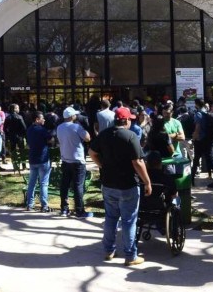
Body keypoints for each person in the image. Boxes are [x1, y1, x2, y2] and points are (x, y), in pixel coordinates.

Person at [89, 106, 151, 266]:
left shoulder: (104, 134)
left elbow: (91, 152)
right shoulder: (130, 136)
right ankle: (131, 256)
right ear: (126, 120)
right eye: (130, 119)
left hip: (108, 183)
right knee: (129, 221)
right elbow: (138, 162)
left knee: (111, 218)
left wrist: (102, 165)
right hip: (127, 184)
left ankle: (109, 250)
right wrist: (147, 182)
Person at [57, 106, 92, 218]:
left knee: (65, 185)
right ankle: (79, 210)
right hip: (77, 160)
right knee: (78, 186)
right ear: (72, 116)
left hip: (65, 159)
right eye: (75, 115)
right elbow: (88, 138)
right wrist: (83, 127)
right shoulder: (76, 127)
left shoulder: (59, 127)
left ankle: (64, 209)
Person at [25, 111, 53, 212]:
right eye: (42, 118)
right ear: (37, 119)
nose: (44, 120)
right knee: (43, 183)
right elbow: (50, 140)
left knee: (32, 183)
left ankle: (29, 204)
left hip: (32, 159)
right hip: (43, 159)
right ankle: (44, 205)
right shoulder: (42, 130)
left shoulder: (29, 130)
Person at [4, 104, 27, 171]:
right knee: (22, 151)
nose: (18, 109)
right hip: (20, 136)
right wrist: (24, 135)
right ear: (14, 109)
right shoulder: (19, 117)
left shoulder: (8, 117)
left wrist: (8, 135)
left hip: (12, 136)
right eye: (17, 108)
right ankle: (24, 165)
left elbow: (5, 128)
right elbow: (24, 127)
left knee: (13, 151)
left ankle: (15, 166)